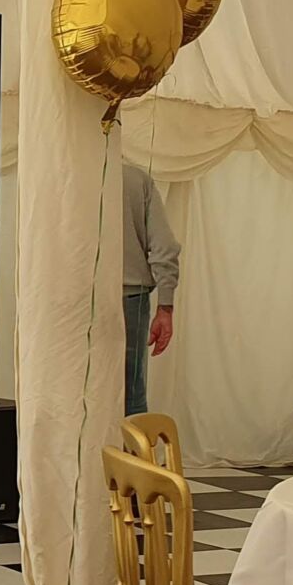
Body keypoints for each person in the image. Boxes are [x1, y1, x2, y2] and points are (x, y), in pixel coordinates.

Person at [122, 162, 181, 416]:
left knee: (71, 394)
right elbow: (164, 245)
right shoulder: (136, 179)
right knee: (131, 395)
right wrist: (165, 306)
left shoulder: (59, 175)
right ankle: (132, 455)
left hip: (69, 300)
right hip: (129, 298)